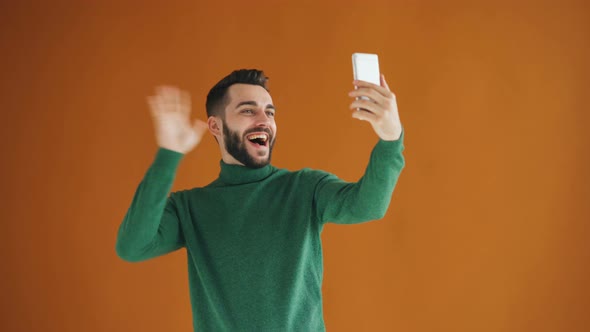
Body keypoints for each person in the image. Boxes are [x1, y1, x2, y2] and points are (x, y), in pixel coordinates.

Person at [115, 69, 405, 331]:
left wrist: (391, 138)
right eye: (248, 111)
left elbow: (368, 206)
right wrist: (169, 154)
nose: (264, 121)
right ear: (215, 126)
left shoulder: (304, 188)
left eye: (270, 112)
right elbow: (132, 246)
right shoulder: (190, 208)